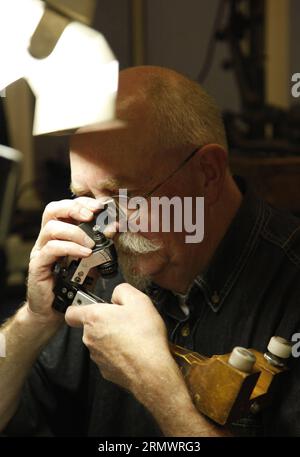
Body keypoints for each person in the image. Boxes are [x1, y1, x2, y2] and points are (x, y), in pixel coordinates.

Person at [0, 66, 299, 437]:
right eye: (87, 199)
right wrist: (33, 320)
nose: (106, 227)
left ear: (206, 173)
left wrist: (158, 389)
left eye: (123, 196)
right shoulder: (101, 264)